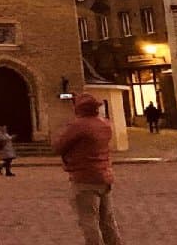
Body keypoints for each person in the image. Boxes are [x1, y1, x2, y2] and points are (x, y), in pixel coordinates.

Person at [53, 93, 122, 245]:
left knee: (88, 220)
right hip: (104, 176)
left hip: (84, 177)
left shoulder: (79, 125)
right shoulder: (104, 123)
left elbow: (58, 146)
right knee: (107, 220)